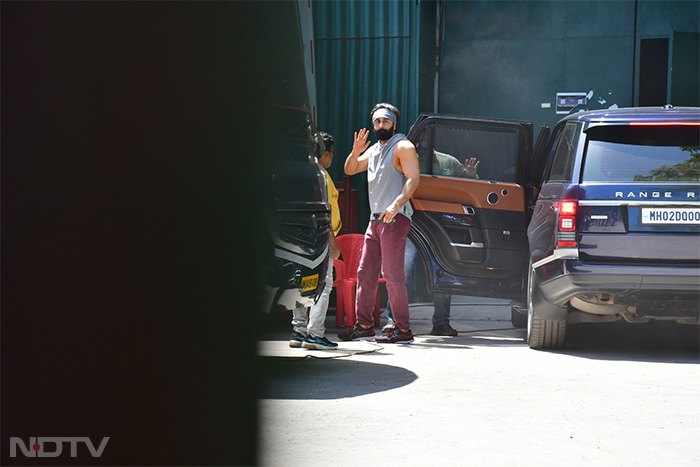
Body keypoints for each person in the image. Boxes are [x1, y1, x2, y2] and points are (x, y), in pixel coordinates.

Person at [337, 103, 420, 344]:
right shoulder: (374, 150)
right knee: (365, 272)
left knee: (393, 275)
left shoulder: (403, 146)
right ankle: (363, 325)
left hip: (394, 218)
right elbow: (350, 169)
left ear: (394, 123)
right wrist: (355, 151)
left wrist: (395, 205)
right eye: (377, 122)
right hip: (375, 221)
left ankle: (403, 329)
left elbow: (414, 179)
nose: (380, 126)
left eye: (385, 121)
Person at [383, 151, 481, 337]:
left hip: (439, 230)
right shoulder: (403, 160)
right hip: (413, 226)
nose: (421, 145)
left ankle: (441, 323)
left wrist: (470, 175)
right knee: (402, 270)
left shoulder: (448, 161)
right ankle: (393, 320)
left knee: (443, 272)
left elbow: (469, 183)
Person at [289, 131, 342, 350]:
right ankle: (315, 333)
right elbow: (324, 214)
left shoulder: (303, 173)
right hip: (320, 239)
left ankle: (299, 330)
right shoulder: (321, 176)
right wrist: (332, 243)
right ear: (327, 153)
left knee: (304, 283)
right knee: (324, 284)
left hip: (303, 238)